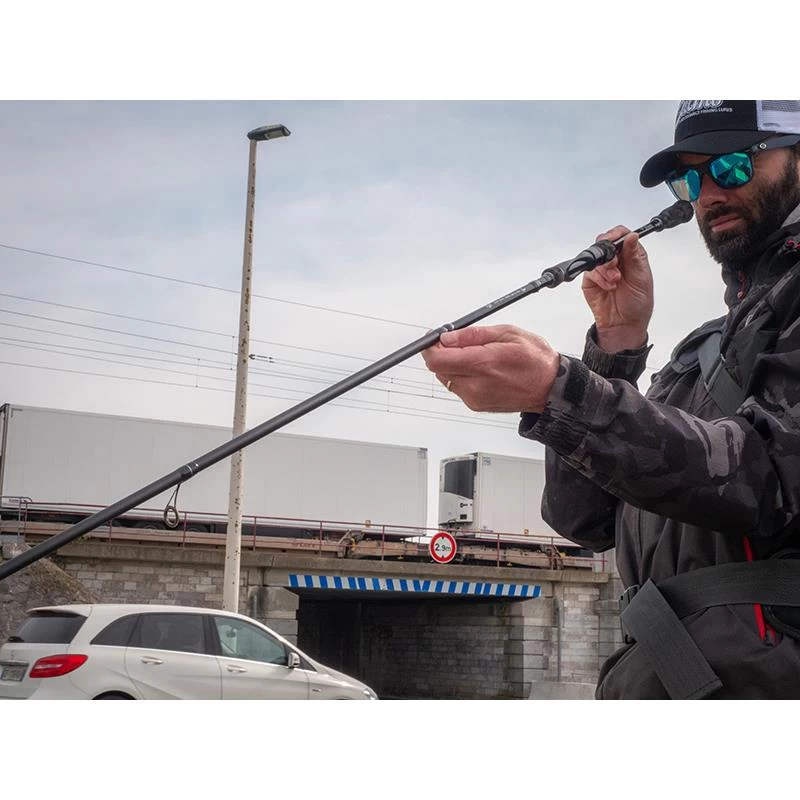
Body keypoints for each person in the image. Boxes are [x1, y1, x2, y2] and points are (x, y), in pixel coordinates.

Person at [422, 100, 800, 699]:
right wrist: (613, 350)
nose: (708, 194)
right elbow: (585, 518)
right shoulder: (699, 353)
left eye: (731, 166)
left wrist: (560, 389)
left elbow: (766, 475)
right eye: (690, 180)